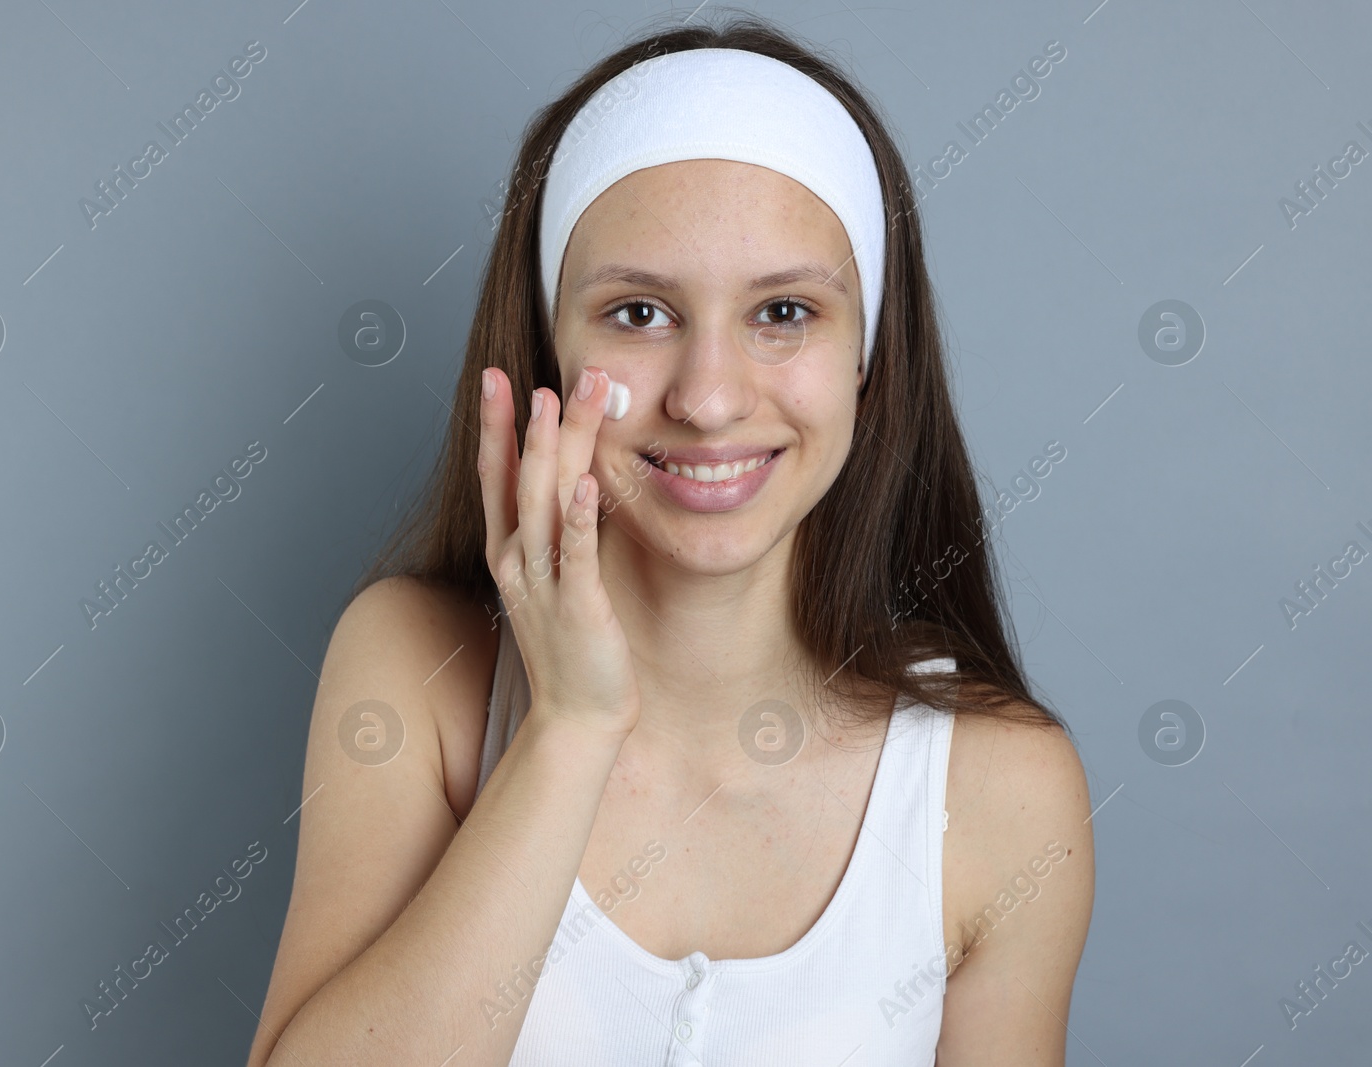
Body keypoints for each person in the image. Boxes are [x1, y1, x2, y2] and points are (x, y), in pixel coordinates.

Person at [248, 12, 1094, 1066]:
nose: (707, 398)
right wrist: (568, 729)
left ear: (869, 360)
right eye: (639, 314)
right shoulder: (418, 670)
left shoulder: (1000, 787)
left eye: (784, 311)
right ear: (550, 350)